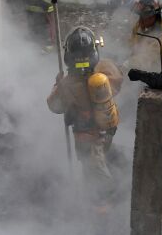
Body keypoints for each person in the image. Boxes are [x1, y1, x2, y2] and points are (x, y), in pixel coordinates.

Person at [47, 27, 123, 209]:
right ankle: (101, 198)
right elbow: (118, 84)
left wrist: (57, 85)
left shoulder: (68, 83)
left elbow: (54, 106)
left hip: (85, 136)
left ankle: (103, 208)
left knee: (94, 171)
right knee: (98, 162)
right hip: (107, 130)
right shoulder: (104, 72)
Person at [125, 0, 162, 71]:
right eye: (140, 16)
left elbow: (150, 58)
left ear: (153, 17)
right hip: (137, 69)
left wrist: (128, 64)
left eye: (144, 17)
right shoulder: (139, 25)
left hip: (158, 73)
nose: (141, 20)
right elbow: (132, 43)